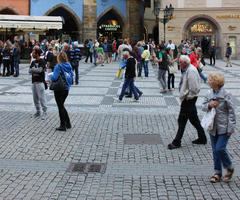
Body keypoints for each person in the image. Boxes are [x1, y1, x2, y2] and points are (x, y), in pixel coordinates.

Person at [202, 72, 235, 183]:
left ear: (216, 82)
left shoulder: (226, 94)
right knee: (215, 151)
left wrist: (230, 128)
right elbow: (203, 106)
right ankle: (217, 172)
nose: (208, 82)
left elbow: (231, 112)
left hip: (224, 127)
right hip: (213, 126)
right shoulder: (209, 93)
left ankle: (229, 167)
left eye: (210, 80)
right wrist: (209, 105)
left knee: (220, 148)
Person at [168, 55, 207, 150]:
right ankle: (202, 138)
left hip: (189, 99)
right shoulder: (187, 69)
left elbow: (194, 88)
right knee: (194, 119)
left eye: (180, 63)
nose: (179, 64)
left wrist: (188, 97)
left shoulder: (191, 70)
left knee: (182, 120)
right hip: (188, 99)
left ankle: (177, 141)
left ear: (185, 63)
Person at [50, 51, 73, 131]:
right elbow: (71, 76)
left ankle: (63, 125)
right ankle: (68, 123)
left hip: (59, 89)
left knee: (60, 107)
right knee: (62, 105)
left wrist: (51, 76)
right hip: (66, 88)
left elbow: (54, 77)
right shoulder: (69, 65)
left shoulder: (58, 66)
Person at [29, 48, 47, 120]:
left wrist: (34, 69)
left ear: (37, 54)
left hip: (40, 82)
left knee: (42, 98)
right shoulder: (33, 62)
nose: (32, 54)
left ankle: (45, 112)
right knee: (35, 98)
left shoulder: (42, 61)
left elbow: (40, 70)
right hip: (34, 82)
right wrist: (36, 69)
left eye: (33, 53)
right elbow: (29, 71)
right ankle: (38, 111)